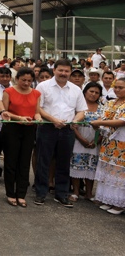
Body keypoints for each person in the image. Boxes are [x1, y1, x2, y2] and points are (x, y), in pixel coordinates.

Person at [34, 59, 87, 208]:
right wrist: (53, 120)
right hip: (47, 128)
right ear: (54, 70)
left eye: (66, 71)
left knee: (64, 163)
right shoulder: (43, 86)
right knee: (43, 161)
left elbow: (81, 110)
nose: (63, 73)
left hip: (68, 130)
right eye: (60, 70)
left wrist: (76, 120)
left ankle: (62, 194)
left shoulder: (76, 89)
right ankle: (41, 193)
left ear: (70, 72)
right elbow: (38, 108)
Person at [1, 67, 41, 207]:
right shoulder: (8, 92)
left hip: (29, 129)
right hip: (12, 128)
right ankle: (10, 193)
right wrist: (19, 117)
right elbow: (5, 113)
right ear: (17, 79)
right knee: (11, 161)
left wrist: (38, 118)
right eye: (23, 80)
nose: (26, 83)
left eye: (29, 81)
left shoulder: (36, 93)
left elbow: (36, 112)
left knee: (25, 161)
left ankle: (21, 193)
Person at [91, 78, 125, 214]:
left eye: (120, 87)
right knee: (108, 169)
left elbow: (121, 122)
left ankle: (119, 203)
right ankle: (107, 199)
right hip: (108, 141)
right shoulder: (111, 102)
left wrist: (99, 123)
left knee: (120, 172)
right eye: (115, 87)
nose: (117, 90)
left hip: (122, 142)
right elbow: (103, 118)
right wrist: (99, 123)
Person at [69, 82, 102, 202]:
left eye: (97, 92)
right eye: (91, 91)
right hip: (79, 141)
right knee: (76, 165)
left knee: (91, 167)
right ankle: (76, 192)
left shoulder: (103, 108)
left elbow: (105, 128)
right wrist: (81, 139)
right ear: (85, 92)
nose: (93, 94)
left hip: (95, 142)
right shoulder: (79, 106)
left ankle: (89, 193)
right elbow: (73, 125)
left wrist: (96, 141)